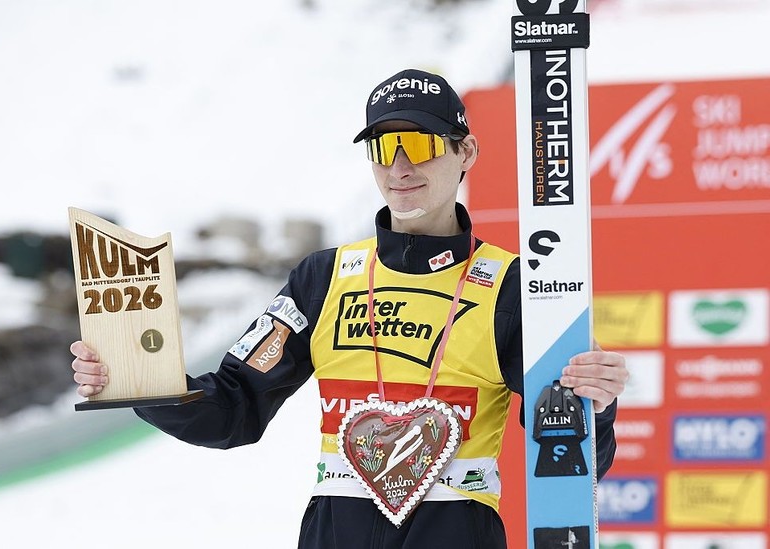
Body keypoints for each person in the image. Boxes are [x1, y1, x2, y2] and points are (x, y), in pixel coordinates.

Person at [70, 68, 628, 548]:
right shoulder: (323, 279)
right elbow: (234, 407)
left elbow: (566, 452)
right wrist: (138, 380)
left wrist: (593, 402)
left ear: (466, 152)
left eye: (422, 143)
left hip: (454, 530)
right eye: (384, 148)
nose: (401, 167)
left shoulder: (512, 288)